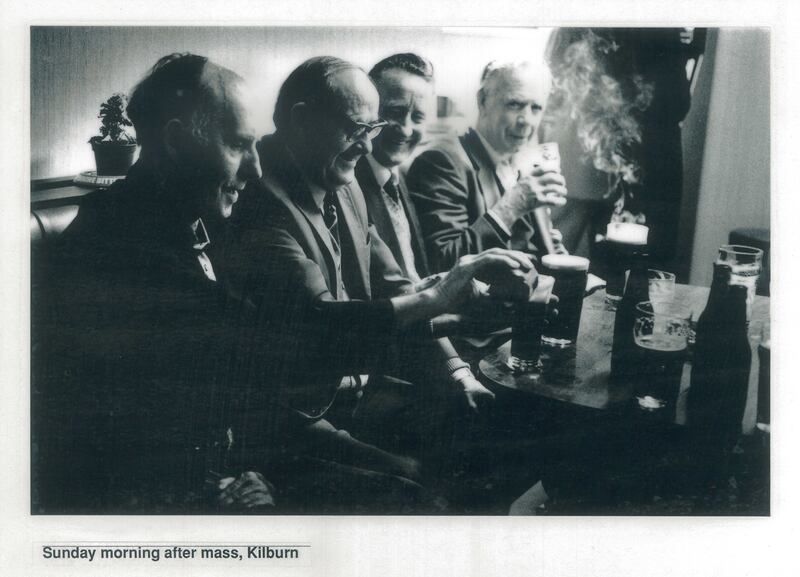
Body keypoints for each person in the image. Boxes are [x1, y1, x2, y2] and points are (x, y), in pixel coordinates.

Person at [228, 56, 536, 511]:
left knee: (496, 431)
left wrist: (462, 307)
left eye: (373, 129)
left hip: (346, 394)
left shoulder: (343, 179)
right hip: (281, 423)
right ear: (301, 120)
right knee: (422, 488)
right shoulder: (258, 197)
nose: (366, 144)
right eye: (358, 128)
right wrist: (439, 294)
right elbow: (322, 322)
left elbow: (397, 285)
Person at [32, 53, 274, 513]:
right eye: (240, 145)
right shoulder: (111, 246)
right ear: (179, 141)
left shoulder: (200, 220)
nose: (255, 169)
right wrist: (212, 496)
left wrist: (251, 471)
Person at [406, 60, 568, 273]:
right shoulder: (441, 161)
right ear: (482, 101)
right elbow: (443, 263)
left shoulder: (523, 161)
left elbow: (545, 245)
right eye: (514, 104)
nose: (526, 120)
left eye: (536, 108)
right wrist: (512, 206)